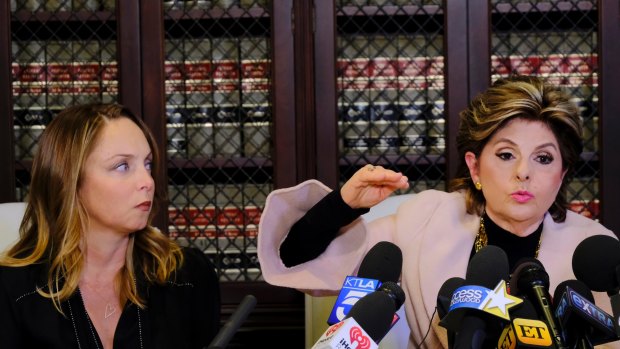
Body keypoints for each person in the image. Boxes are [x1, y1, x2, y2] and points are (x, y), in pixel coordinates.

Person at [257, 76, 620, 348]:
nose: (523, 172)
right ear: (475, 168)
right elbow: (294, 258)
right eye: (506, 154)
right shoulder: (426, 219)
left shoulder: (595, 251)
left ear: (562, 174)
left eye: (543, 158)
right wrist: (342, 204)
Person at [0, 103, 221, 348]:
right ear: (69, 179)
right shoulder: (11, 290)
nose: (147, 181)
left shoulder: (187, 275)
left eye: (147, 164)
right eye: (122, 166)